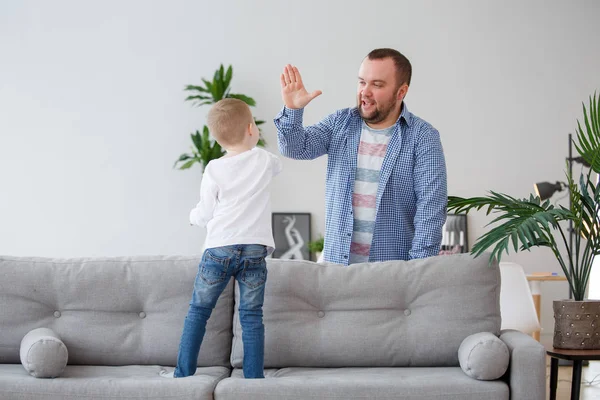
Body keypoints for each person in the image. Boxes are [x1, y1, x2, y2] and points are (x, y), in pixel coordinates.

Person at [274, 48, 447, 265]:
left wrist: (416, 270)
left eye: (377, 84)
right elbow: (295, 148)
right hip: (337, 269)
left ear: (401, 92)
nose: (365, 91)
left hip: (392, 273)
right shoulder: (340, 123)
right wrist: (292, 110)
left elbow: (430, 210)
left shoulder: (423, 137)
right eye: (361, 82)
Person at [163, 98, 282, 379]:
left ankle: (183, 374)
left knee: (199, 312)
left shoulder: (214, 168)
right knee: (252, 316)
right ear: (252, 128)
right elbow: (277, 166)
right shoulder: (265, 160)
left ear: (216, 139)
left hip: (219, 249)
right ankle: (253, 379)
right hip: (254, 249)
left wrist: (193, 218)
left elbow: (205, 212)